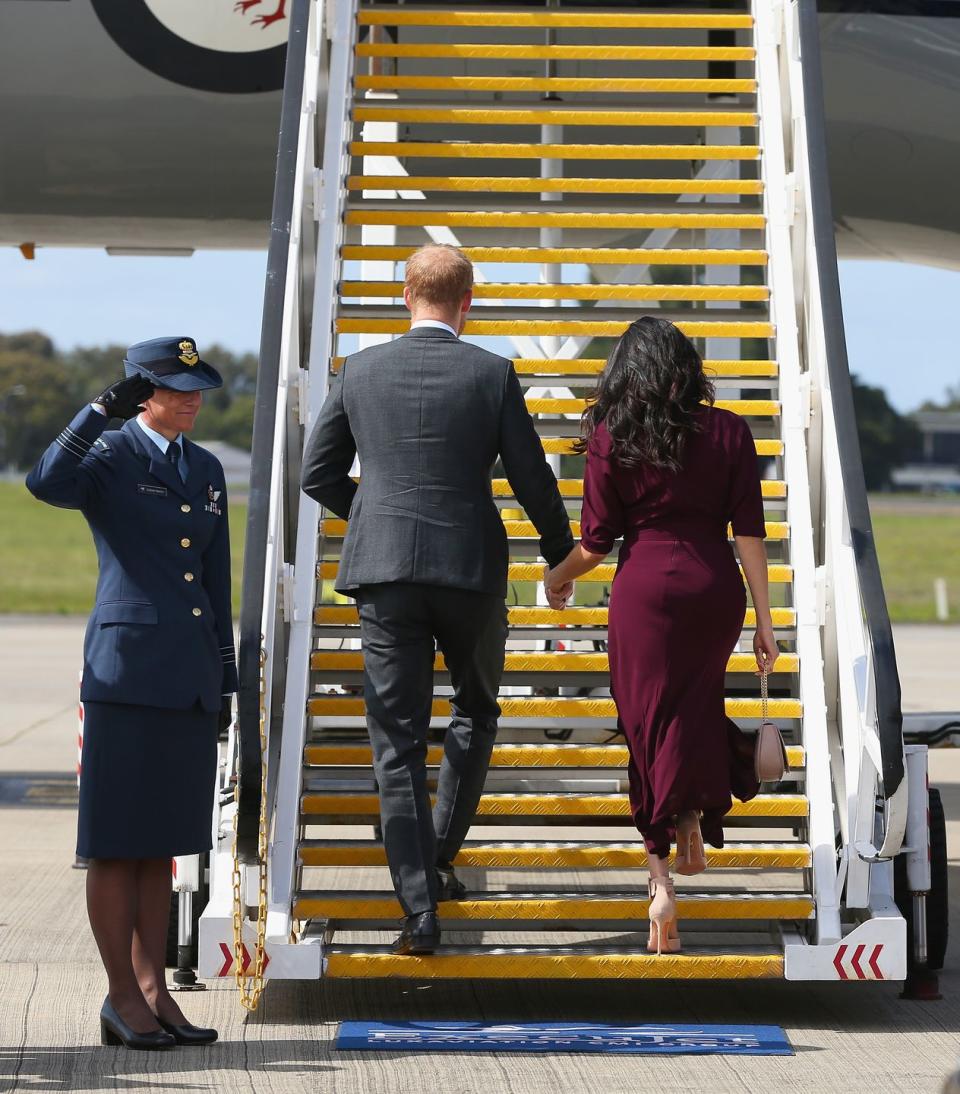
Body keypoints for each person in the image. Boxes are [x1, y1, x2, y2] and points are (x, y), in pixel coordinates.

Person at [301, 244, 574, 955]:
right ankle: (439, 849)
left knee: (395, 744)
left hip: (386, 573)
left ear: (405, 296)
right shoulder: (492, 372)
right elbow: (530, 478)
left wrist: (371, 515)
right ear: (468, 301)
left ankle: (419, 907)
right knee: (477, 711)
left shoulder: (361, 371)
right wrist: (559, 557)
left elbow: (317, 471)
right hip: (470, 569)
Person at [543, 316, 780, 956]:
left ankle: (659, 879)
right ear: (687, 366)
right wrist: (764, 618)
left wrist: (556, 578)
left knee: (646, 724)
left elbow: (595, 545)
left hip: (645, 589)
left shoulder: (610, 434)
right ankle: (695, 815)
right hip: (713, 586)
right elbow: (749, 535)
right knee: (696, 706)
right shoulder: (731, 431)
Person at [26, 337, 235, 1049]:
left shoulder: (204, 468)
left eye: (198, 387)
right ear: (141, 393)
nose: (194, 399)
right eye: (178, 388)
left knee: (163, 846)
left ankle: (155, 995)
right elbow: (45, 483)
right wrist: (94, 414)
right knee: (117, 845)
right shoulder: (111, 455)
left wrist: (226, 674)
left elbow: (214, 579)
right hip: (125, 673)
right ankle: (121, 997)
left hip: (187, 675)